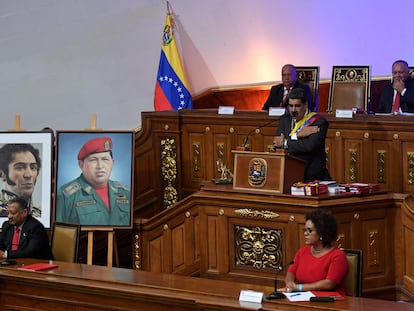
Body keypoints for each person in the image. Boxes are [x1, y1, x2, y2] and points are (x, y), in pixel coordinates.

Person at [55, 136, 131, 226]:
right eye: (93, 160)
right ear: (81, 165)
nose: (100, 166)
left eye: (105, 159)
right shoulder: (66, 195)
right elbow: (60, 234)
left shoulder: (125, 193)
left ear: (112, 163)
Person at [279, 209, 348, 295]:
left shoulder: (337, 256)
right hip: (302, 297)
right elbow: (291, 273)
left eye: (309, 230)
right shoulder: (302, 252)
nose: (305, 233)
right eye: (305, 230)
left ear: (322, 233)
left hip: (329, 300)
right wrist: (289, 285)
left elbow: (329, 284)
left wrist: (299, 287)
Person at [273, 88, 331, 182]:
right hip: (289, 173)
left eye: (297, 106)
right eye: (290, 106)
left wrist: (285, 142)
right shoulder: (285, 120)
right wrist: (297, 136)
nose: (293, 110)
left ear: (305, 104)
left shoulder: (318, 122)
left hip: (312, 176)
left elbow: (309, 146)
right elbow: (277, 144)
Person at [0, 144, 42, 218]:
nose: (29, 175)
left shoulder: (40, 214)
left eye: (33, 168)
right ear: (2, 174)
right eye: (19, 167)